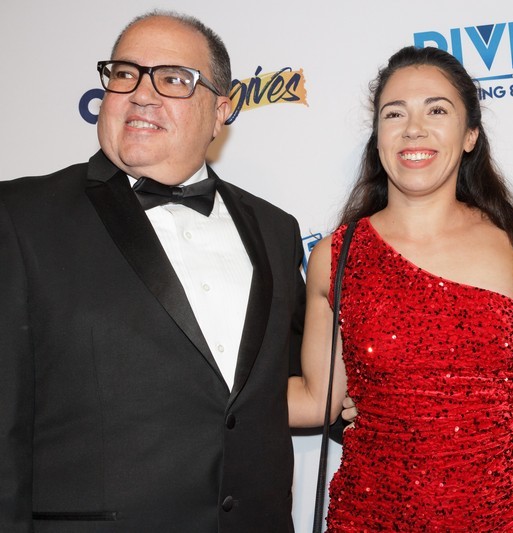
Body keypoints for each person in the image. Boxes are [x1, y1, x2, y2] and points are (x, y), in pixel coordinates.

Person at [0, 11, 304, 532]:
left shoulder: (276, 229)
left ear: (220, 111)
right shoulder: (20, 216)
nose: (142, 94)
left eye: (174, 79)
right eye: (125, 73)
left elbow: (296, 383)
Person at [288, 46, 513, 531]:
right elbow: (316, 399)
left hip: (502, 516)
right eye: (394, 113)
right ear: (378, 136)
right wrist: (190, 395)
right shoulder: (336, 256)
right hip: (372, 516)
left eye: (437, 110)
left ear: (470, 135)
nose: (414, 129)